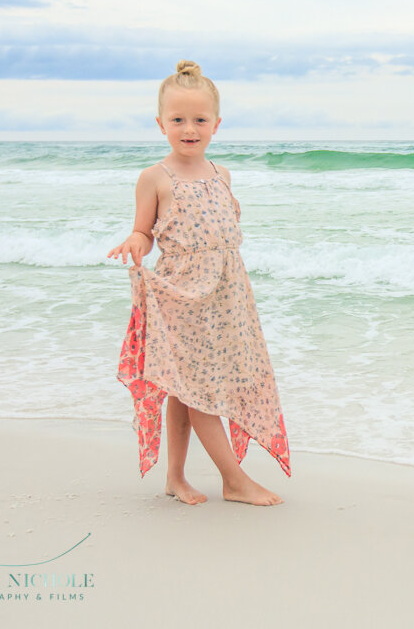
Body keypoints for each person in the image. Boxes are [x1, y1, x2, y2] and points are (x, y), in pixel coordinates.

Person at [108, 60, 290, 507]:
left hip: (225, 298)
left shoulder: (221, 174)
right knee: (200, 390)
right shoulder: (154, 177)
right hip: (181, 298)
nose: (189, 128)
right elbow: (146, 233)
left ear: (216, 124)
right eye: (178, 120)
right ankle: (234, 479)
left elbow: (225, 233)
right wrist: (135, 240)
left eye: (199, 120)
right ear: (160, 124)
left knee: (186, 389)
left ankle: (175, 478)